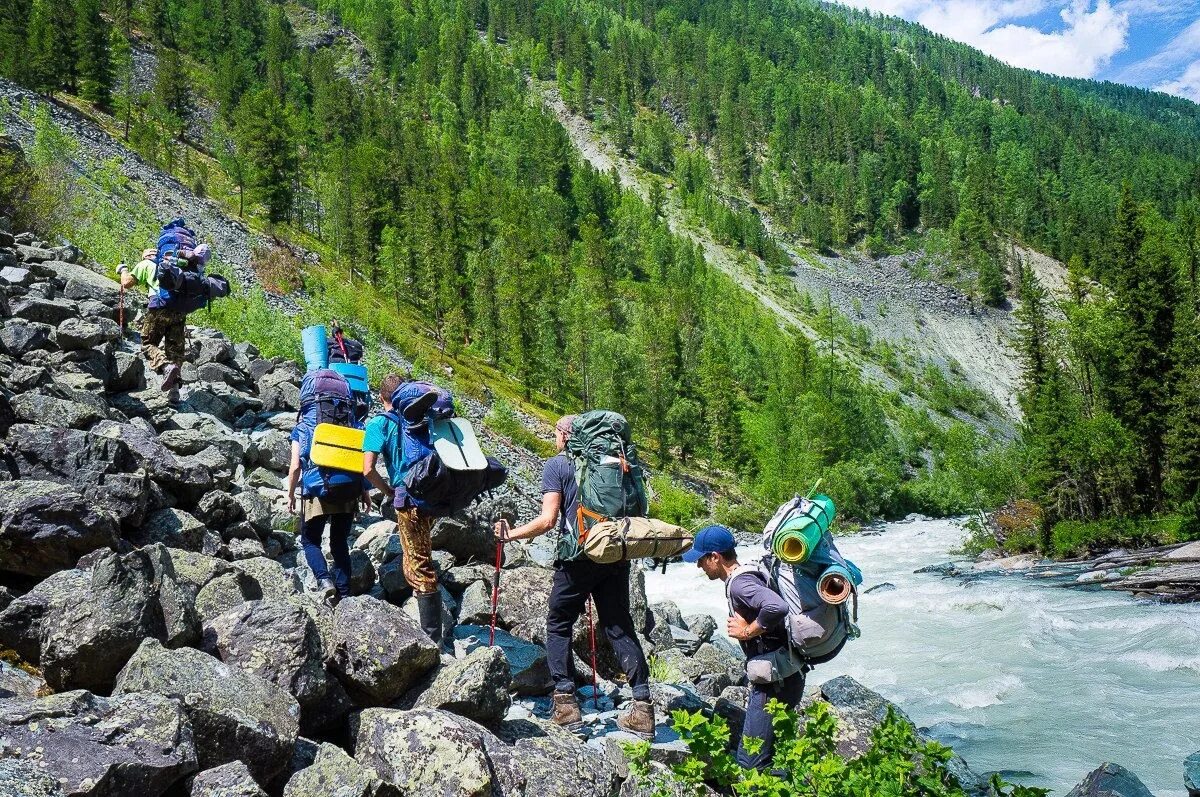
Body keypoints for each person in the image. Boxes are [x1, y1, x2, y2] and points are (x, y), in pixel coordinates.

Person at [493, 415, 655, 738]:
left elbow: (548, 520)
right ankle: (643, 707)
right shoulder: (610, 464)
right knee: (619, 626)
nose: (554, 438)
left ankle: (566, 705)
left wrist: (510, 536)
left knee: (559, 620)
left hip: (579, 557)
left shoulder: (557, 465)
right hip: (614, 553)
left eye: (555, 432)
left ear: (565, 436)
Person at [684, 524, 803, 771]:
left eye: (701, 560)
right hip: (787, 672)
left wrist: (747, 631)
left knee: (751, 762)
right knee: (775, 754)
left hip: (775, 682)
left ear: (715, 557)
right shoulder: (749, 572)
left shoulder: (740, 585)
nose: (699, 566)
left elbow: (776, 607)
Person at [362, 373, 447, 647]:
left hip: (408, 498)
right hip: (434, 496)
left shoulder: (378, 424)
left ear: (381, 396)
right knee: (419, 553)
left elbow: (367, 469)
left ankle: (431, 638)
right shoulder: (423, 419)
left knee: (419, 563)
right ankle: (420, 609)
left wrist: (386, 490)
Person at [116, 242, 212, 392]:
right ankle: (174, 391)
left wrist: (123, 270)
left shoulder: (146, 264)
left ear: (146, 256)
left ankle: (165, 366)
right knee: (175, 351)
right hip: (180, 311)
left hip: (159, 308)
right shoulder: (177, 264)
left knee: (148, 344)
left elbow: (126, 283)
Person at [287, 435, 371, 605]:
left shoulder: (302, 428)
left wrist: (290, 495)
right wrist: (364, 492)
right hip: (347, 489)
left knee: (310, 541)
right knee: (340, 542)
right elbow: (360, 458)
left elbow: (296, 466)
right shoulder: (347, 422)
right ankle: (345, 596)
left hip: (316, 491)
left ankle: (324, 580)